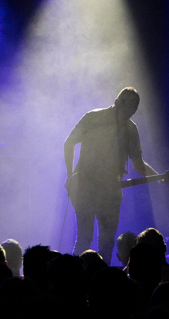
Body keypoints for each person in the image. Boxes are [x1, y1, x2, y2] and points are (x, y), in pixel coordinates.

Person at [64, 87, 157, 264]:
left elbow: (138, 163)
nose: (130, 112)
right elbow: (69, 144)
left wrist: (158, 176)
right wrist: (70, 177)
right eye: (128, 107)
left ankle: (101, 277)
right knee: (84, 239)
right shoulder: (93, 118)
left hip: (111, 192)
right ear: (117, 102)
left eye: (134, 108)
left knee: (106, 243)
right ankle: (77, 276)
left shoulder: (131, 129)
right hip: (85, 188)